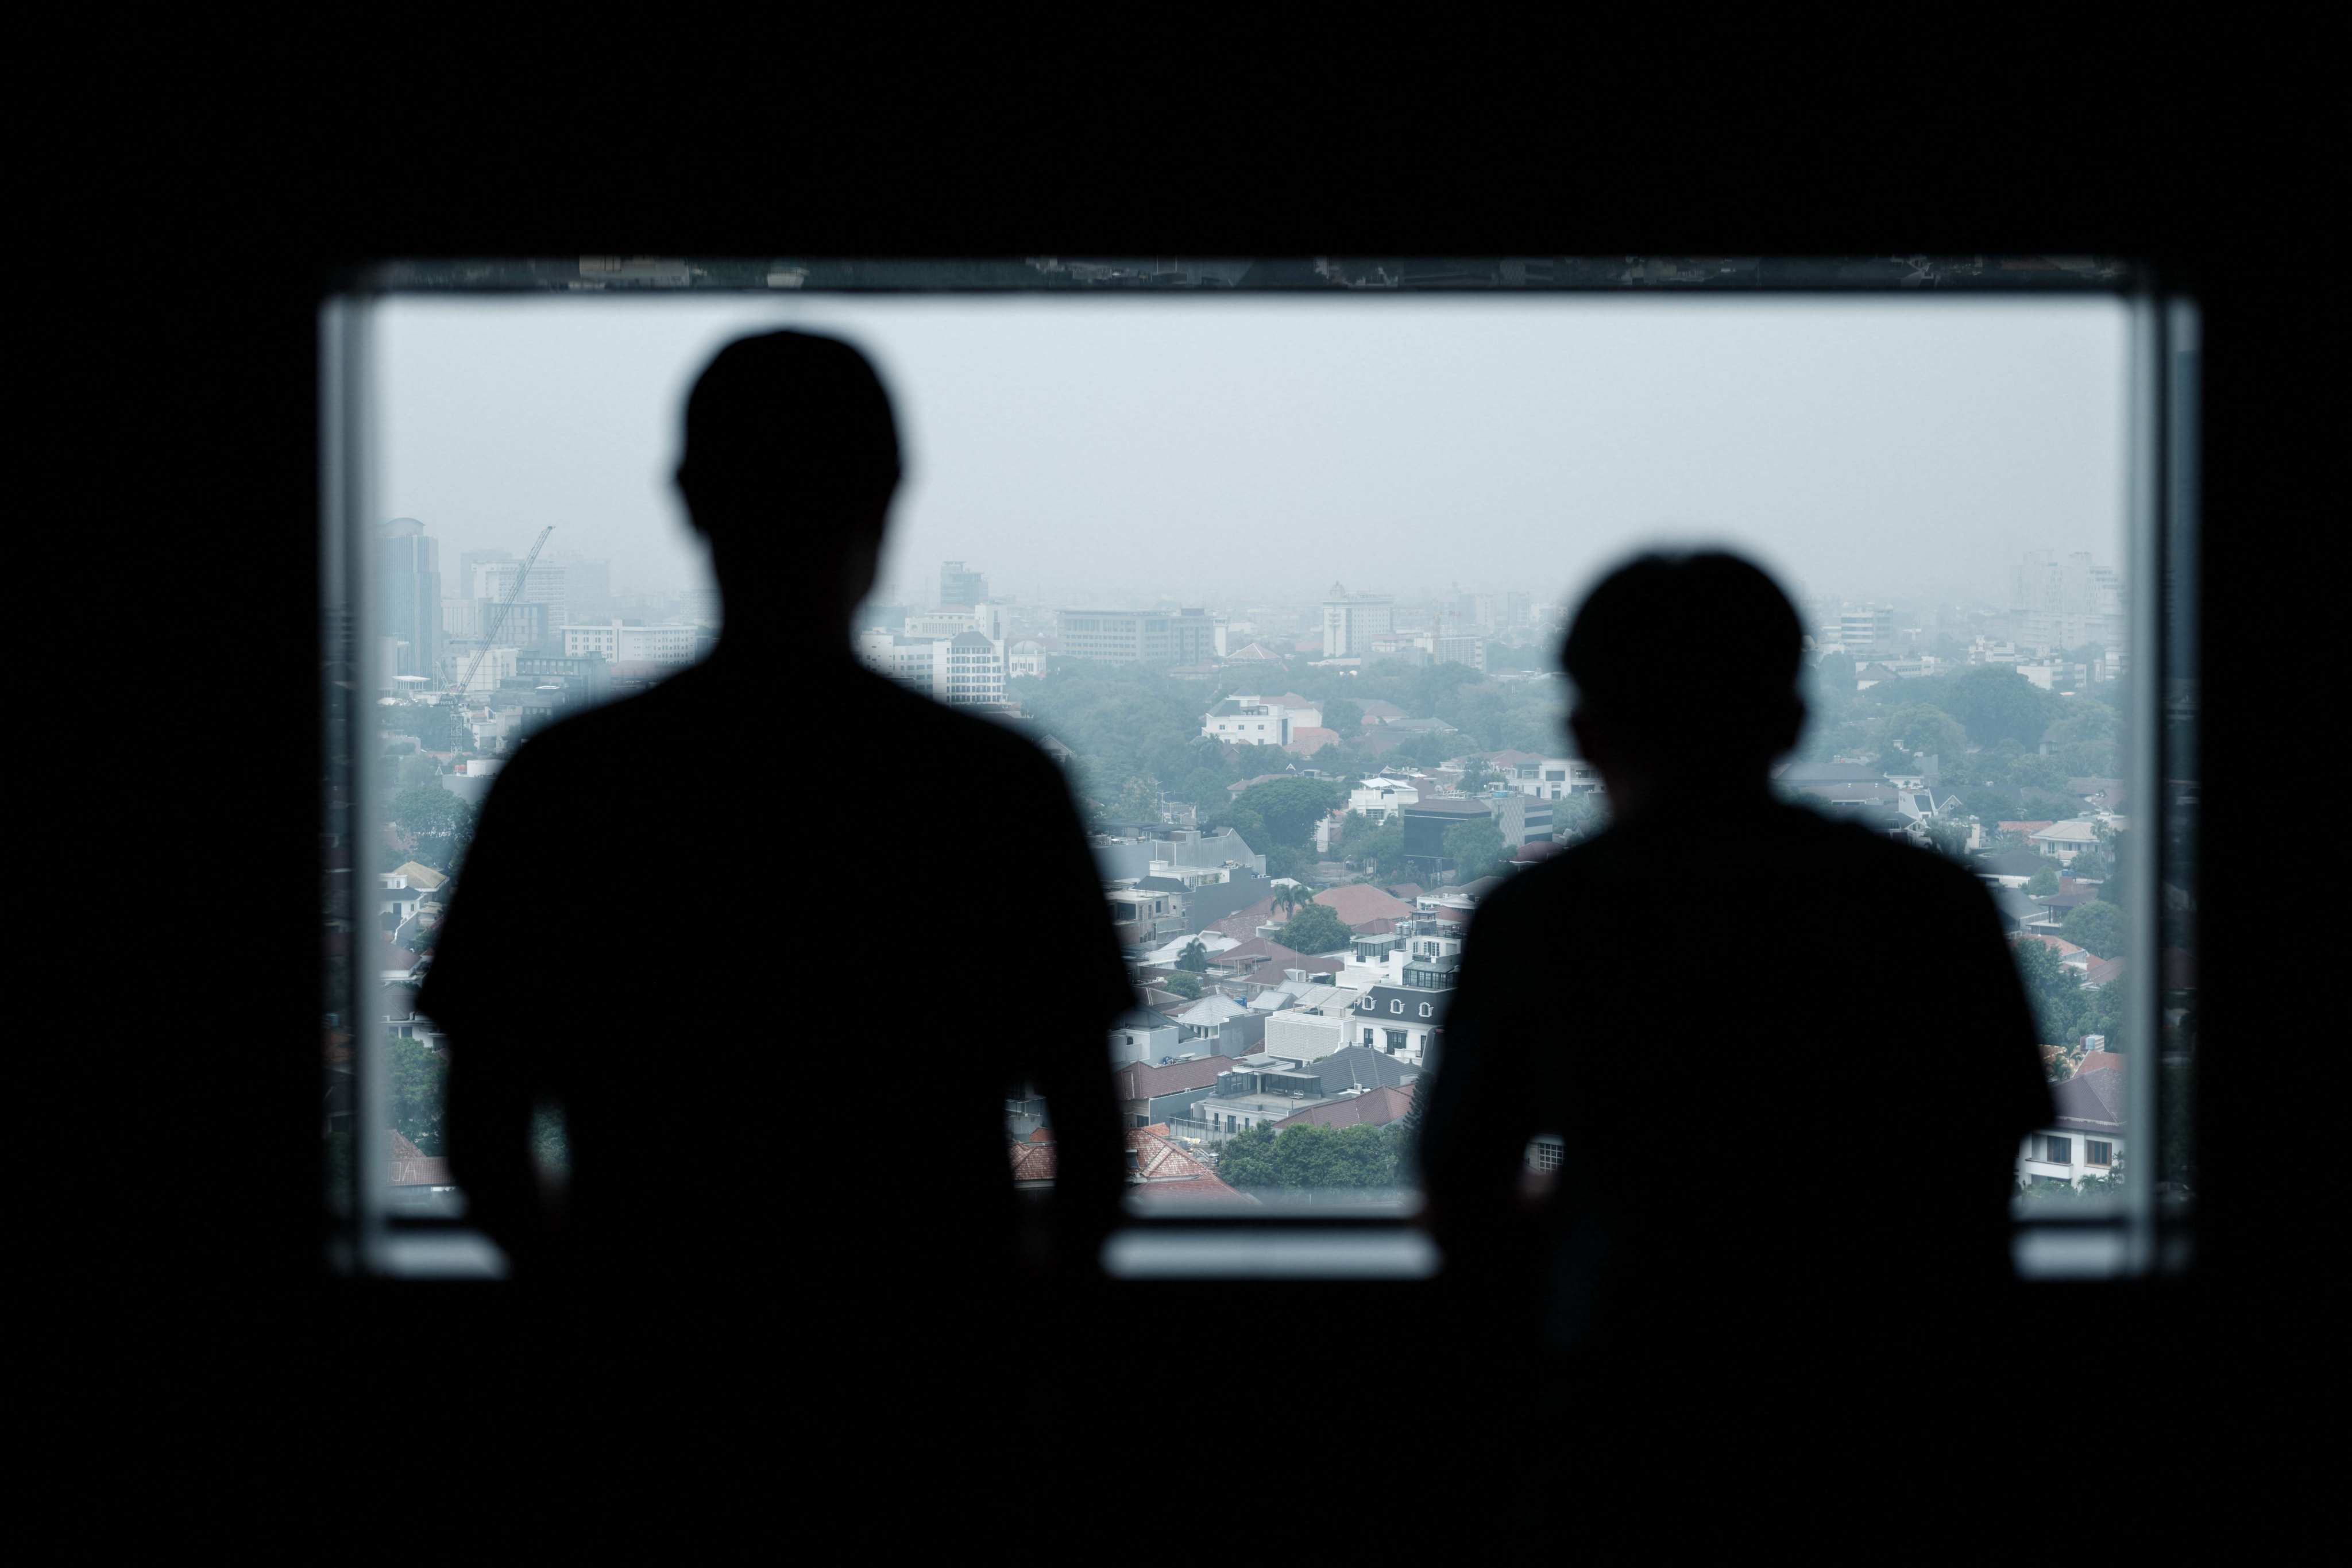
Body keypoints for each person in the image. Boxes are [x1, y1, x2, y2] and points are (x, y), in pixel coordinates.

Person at [419, 331, 1131, 1517]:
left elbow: (483, 1134)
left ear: (690, 500)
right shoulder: (992, 787)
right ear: (888, 497)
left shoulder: (570, 785)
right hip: (927, 1403)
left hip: (648, 1405)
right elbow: (1092, 1149)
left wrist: (606, 1313)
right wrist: (1001, 1344)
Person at [1415, 551, 2054, 1547]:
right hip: (1891, 1430)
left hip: (1621, 1425)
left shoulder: (1540, 919)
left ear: (1584, 735)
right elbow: (1977, 1181)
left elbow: (1460, 1194)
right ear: (1794, 722)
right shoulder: (1930, 909)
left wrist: (1599, 1197)